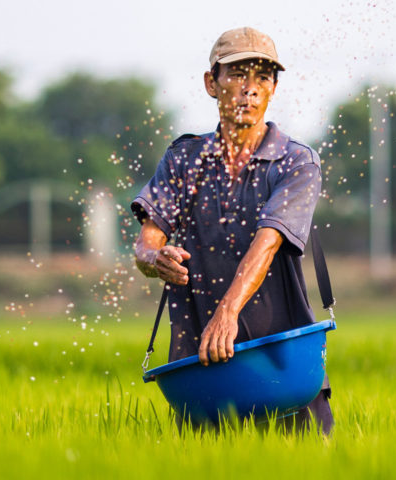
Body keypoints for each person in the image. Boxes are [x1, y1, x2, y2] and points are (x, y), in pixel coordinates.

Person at [131, 27, 333, 434]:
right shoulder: (183, 161)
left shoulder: (295, 163)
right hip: (203, 366)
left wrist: (227, 312)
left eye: (262, 77)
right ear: (212, 83)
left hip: (284, 361)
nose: (250, 89)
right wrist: (156, 259)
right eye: (238, 75)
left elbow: (268, 242)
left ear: (274, 88)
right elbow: (146, 243)